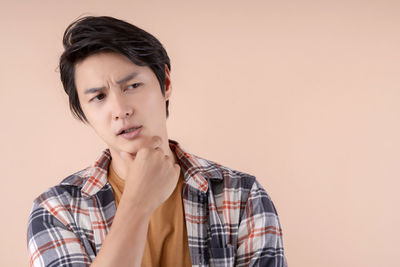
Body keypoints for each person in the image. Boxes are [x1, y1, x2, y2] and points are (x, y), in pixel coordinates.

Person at [27, 16, 287, 267]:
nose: (120, 109)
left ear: (165, 82)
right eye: (99, 97)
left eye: (132, 86)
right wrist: (137, 204)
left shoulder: (241, 196)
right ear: (83, 111)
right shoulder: (57, 211)